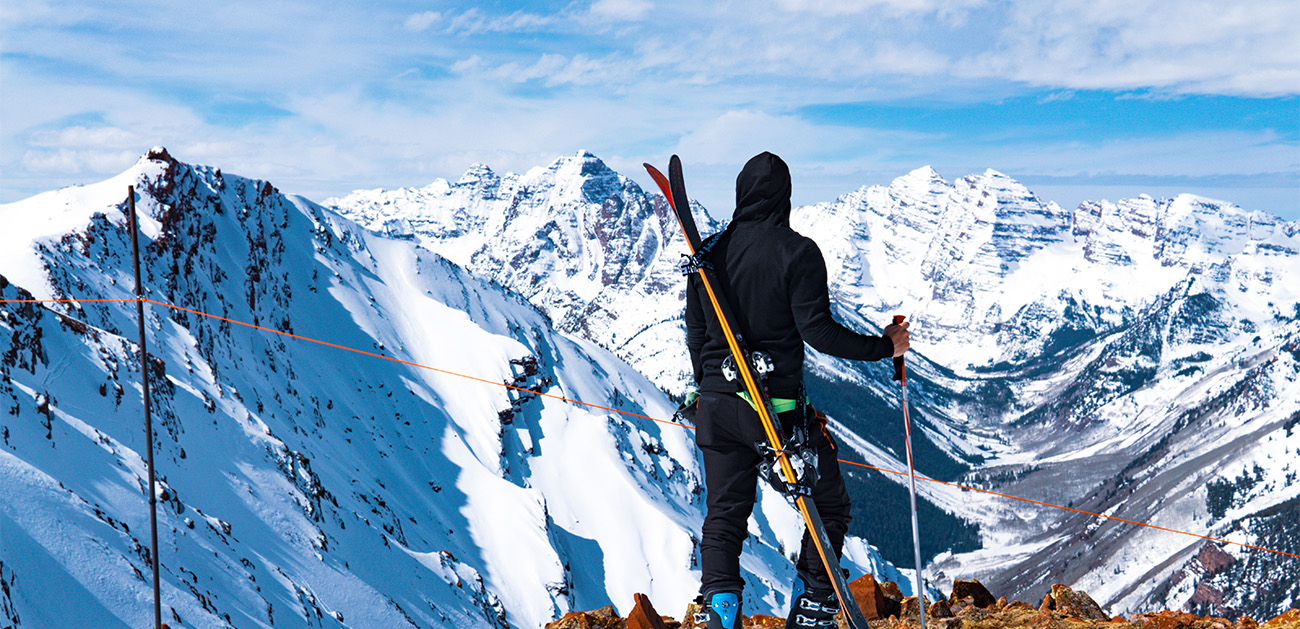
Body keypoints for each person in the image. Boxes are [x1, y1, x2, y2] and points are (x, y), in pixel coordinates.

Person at [682, 152, 909, 629]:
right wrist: (885, 346)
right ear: (786, 197)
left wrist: (712, 393)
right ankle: (813, 606)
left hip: (717, 407)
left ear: (740, 194)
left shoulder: (707, 259)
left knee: (724, 515)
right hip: (777, 413)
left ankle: (720, 613)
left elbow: (698, 339)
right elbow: (819, 332)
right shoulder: (798, 252)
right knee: (828, 504)